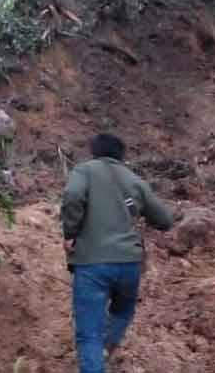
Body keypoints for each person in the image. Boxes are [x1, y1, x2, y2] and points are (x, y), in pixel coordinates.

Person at [60, 133, 175, 373]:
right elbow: (165, 220)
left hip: (92, 264)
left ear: (94, 150)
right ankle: (105, 348)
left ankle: (96, 356)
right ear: (121, 155)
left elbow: (72, 196)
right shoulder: (134, 179)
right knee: (123, 311)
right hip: (129, 264)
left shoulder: (84, 171)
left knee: (89, 334)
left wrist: (70, 232)